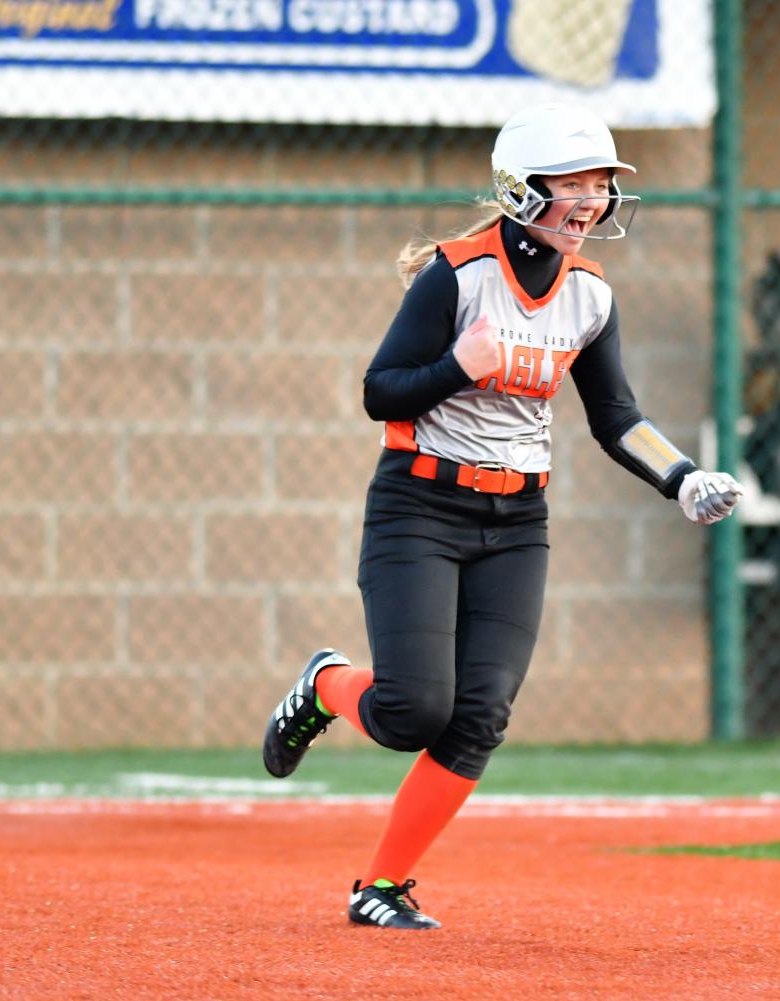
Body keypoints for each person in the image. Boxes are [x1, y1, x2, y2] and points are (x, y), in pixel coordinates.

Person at [260, 103, 743, 930]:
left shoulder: (588, 294)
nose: (591, 199)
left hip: (517, 519)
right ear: (522, 190)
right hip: (420, 502)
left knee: (479, 713)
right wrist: (457, 365)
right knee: (413, 712)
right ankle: (324, 684)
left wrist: (683, 478)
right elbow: (382, 390)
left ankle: (380, 885)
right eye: (575, 182)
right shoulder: (457, 274)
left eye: (601, 183)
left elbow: (616, 416)